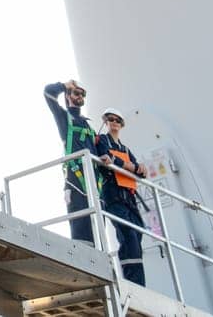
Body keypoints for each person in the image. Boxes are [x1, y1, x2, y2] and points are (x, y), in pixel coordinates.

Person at [92, 107, 148, 286]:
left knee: (137, 235)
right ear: (106, 122)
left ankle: (138, 284)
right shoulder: (102, 140)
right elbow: (106, 158)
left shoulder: (125, 148)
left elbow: (140, 172)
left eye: (117, 120)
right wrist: (129, 165)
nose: (114, 122)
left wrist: (130, 166)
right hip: (114, 196)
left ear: (121, 124)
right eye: (111, 119)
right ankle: (134, 284)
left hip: (129, 198)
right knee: (127, 236)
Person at [42, 80, 96, 242]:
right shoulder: (64, 117)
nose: (80, 96)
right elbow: (48, 92)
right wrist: (65, 86)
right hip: (75, 179)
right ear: (68, 96)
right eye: (76, 93)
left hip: (94, 183)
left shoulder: (88, 126)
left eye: (82, 94)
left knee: (98, 228)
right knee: (81, 227)